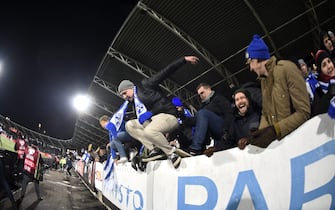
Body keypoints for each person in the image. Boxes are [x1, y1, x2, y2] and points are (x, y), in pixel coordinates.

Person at [118, 55, 199, 169]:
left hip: (168, 116)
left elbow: (164, 72)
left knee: (149, 130)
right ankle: (154, 149)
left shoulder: (145, 86)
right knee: (129, 125)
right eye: (122, 95)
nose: (124, 97)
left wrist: (183, 60)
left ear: (131, 87)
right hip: (154, 121)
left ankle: (171, 153)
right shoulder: (135, 104)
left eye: (125, 93)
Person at [239, 34, 310, 149]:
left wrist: (276, 130)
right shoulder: (264, 81)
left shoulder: (287, 69)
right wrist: (258, 135)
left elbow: (304, 112)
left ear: (257, 58)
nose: (251, 68)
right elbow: (266, 114)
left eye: (250, 63)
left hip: (298, 142)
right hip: (281, 146)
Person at [187, 83, 233, 155]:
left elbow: (228, 113)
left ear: (209, 89)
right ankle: (198, 149)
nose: (201, 96)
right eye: (199, 94)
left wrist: (226, 130)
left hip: (224, 128)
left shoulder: (218, 98)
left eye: (202, 92)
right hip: (214, 135)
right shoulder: (203, 106)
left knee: (203, 113)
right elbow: (197, 121)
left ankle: (195, 148)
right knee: (200, 116)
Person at [308, 50, 335, 118]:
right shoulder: (320, 89)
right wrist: (329, 94)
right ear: (320, 70)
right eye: (324, 65)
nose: (329, 66)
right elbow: (317, 111)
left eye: (329, 61)